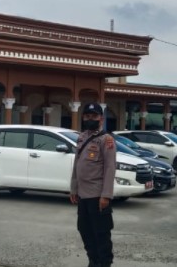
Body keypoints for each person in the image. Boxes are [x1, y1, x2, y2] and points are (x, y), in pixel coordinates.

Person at [70, 102, 116, 267]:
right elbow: (77, 166)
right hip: (83, 194)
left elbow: (110, 169)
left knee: (101, 233)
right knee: (84, 230)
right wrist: (74, 189)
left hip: (98, 196)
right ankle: (93, 261)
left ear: (101, 118)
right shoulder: (82, 137)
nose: (90, 119)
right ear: (83, 117)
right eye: (87, 116)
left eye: (94, 116)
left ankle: (104, 263)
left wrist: (106, 195)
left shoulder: (106, 140)